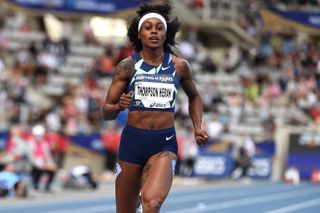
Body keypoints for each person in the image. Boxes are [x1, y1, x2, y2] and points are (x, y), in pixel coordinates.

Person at [102, 3, 208, 213]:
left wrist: (197, 126)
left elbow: (195, 97)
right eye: (148, 27)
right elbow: (106, 112)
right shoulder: (127, 66)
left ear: (165, 34)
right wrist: (118, 106)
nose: (153, 31)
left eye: (159, 28)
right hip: (132, 143)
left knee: (152, 202)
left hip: (164, 143)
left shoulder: (179, 66)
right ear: (139, 34)